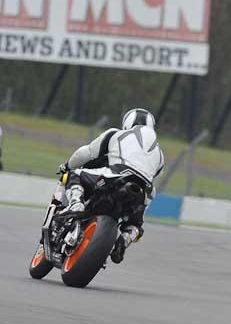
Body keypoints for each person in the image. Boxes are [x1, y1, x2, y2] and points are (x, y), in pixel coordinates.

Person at [60, 108, 164, 264]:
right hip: (140, 192)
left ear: (126, 123)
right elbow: (152, 188)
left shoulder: (116, 134)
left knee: (76, 175)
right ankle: (126, 238)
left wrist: (67, 165)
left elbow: (86, 153)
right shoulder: (160, 157)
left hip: (115, 177)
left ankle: (76, 204)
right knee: (135, 224)